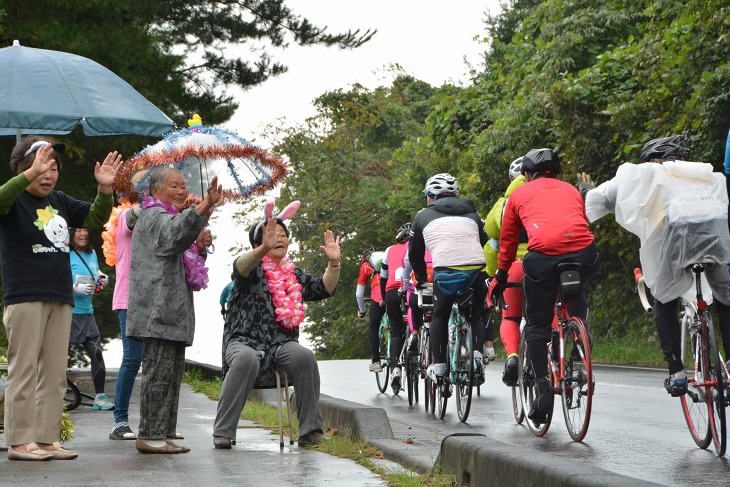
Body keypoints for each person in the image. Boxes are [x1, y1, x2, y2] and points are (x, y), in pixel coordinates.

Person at [0, 136, 122, 461]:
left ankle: (46, 440)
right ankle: (19, 442)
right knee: (24, 369)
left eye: (53, 167)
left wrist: (105, 191)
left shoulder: (60, 201)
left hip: (60, 296)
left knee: (55, 372)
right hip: (25, 296)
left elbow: (96, 216)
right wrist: (27, 175)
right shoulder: (13, 199)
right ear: (22, 168)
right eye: (41, 165)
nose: (48, 172)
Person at [582, 135, 730, 396]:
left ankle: (677, 372)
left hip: (675, 241)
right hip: (715, 236)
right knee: (725, 297)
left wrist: (585, 191)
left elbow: (601, 200)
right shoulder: (705, 172)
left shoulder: (647, 172)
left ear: (653, 158)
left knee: (665, 296)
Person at [212, 200, 340, 449]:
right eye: (272, 235)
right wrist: (262, 250)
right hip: (243, 342)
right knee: (246, 358)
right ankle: (224, 431)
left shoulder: (293, 274)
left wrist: (333, 264)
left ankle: (310, 431)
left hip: (281, 345)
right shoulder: (251, 269)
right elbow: (239, 267)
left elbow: (324, 287)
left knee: (304, 356)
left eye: (283, 235)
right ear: (257, 243)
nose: (279, 239)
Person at [489, 148, 598, 426]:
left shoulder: (518, 195)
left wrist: (501, 276)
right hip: (584, 253)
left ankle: (543, 392)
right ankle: (579, 334)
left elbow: (509, 241)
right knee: (576, 292)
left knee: (536, 326)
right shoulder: (572, 190)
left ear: (527, 174)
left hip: (543, 257)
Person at [127, 167, 220, 454]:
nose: (181, 190)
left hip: (172, 313)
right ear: (154, 192)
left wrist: (198, 247)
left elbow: (178, 244)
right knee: (158, 376)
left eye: (184, 185)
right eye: (174, 186)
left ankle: (163, 431)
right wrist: (203, 208)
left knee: (171, 375)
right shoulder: (153, 216)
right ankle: (150, 435)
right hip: (158, 313)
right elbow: (172, 234)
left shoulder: (168, 217)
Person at [409, 173, 489, 385]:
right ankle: (478, 356)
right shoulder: (473, 214)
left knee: (440, 315)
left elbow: (415, 255)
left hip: (445, 271)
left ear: (430, 196)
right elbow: (485, 243)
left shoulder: (421, 217)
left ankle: (440, 368)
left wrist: (420, 279)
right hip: (476, 269)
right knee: (476, 315)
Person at [484, 157, 528, 386]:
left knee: (510, 316)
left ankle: (512, 356)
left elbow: (493, 248)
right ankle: (553, 348)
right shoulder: (557, 195)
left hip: (515, 267)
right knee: (548, 308)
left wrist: (493, 275)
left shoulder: (502, 205)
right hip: (551, 262)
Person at [102, 197, 144, 440]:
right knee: (132, 359)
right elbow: (133, 217)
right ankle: (120, 421)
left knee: (155, 360)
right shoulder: (126, 214)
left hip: (154, 299)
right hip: (129, 299)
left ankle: (156, 422)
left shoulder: (159, 216)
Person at [68, 227, 113, 410]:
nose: (83, 234)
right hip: (67, 312)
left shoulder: (92, 253)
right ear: (71, 233)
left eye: (86, 230)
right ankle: (52, 396)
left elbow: (94, 273)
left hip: (87, 312)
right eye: (78, 230)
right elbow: (52, 279)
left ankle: (100, 398)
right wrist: (72, 288)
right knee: (57, 357)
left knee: (97, 353)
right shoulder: (64, 254)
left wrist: (101, 277)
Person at [380, 223, 411, 390]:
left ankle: (396, 370)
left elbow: (383, 277)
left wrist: (385, 297)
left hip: (392, 292)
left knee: (395, 332)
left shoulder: (389, 250)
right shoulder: (417, 246)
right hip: (411, 289)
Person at [356, 246, 387, 372]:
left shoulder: (366, 265)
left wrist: (362, 310)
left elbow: (359, 294)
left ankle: (376, 360)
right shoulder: (388, 259)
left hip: (378, 297)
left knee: (373, 326)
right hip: (394, 292)